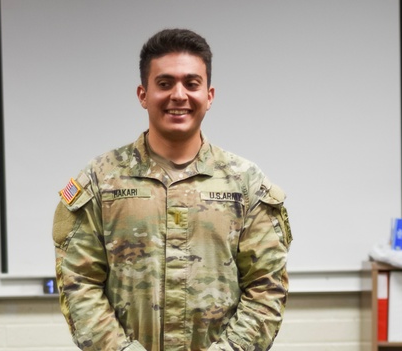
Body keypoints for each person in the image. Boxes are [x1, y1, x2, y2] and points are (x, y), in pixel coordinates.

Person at [52, 28, 292, 351]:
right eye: (164, 84)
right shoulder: (101, 180)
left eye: (191, 84)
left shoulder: (245, 183)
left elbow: (266, 287)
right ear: (143, 95)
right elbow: (78, 282)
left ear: (209, 95)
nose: (179, 95)